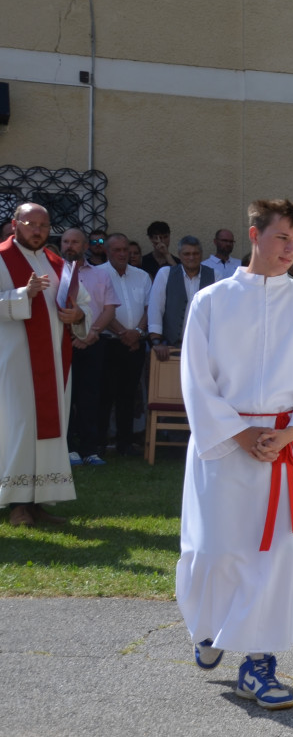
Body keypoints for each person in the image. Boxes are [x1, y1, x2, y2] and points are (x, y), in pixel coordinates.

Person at [176, 200, 293, 709]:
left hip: (285, 448)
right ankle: (209, 626)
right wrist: (241, 433)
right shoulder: (211, 300)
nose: (291, 250)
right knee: (214, 549)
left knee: (277, 556)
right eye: (282, 238)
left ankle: (258, 663)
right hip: (225, 445)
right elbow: (196, 377)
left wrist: (291, 432)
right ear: (254, 235)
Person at [1, 203, 89, 527]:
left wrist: (78, 315)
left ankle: (39, 502)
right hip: (14, 364)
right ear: (15, 225)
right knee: (19, 427)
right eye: (30, 224)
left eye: (43, 225)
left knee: (49, 429)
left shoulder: (58, 264)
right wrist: (22, 294)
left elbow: (83, 303)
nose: (37, 230)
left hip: (53, 364)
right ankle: (17, 504)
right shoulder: (1, 258)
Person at [58, 228, 117, 467]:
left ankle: (89, 449)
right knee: (65, 396)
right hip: (62, 341)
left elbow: (109, 308)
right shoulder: (53, 273)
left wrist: (91, 333)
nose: (69, 246)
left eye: (75, 242)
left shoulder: (101, 275)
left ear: (85, 246)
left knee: (90, 396)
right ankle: (68, 448)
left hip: (93, 342)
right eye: (66, 241)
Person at [98, 234, 152, 458]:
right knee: (105, 395)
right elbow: (100, 309)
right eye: (117, 250)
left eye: (125, 250)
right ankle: (100, 443)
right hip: (109, 343)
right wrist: (122, 333)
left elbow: (150, 308)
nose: (122, 254)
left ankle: (125, 443)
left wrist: (137, 333)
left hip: (135, 344)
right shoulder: (98, 274)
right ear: (107, 252)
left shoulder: (142, 276)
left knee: (128, 395)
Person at [148, 236, 216, 359]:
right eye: (187, 254)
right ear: (179, 255)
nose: (191, 257)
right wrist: (156, 341)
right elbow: (155, 308)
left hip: (204, 348)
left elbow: (219, 313)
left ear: (201, 255)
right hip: (170, 347)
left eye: (195, 253)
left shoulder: (215, 276)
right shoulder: (165, 274)